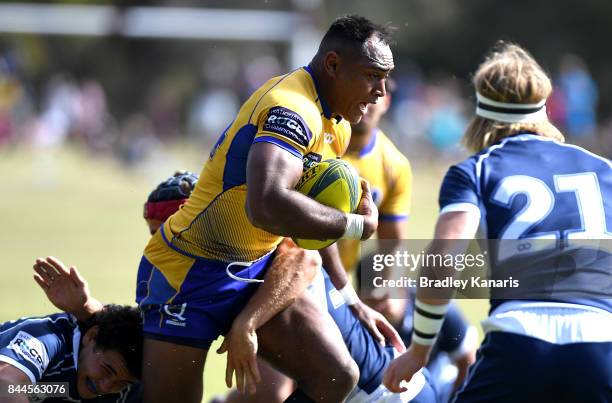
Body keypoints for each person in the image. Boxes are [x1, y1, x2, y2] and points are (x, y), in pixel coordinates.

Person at [136, 14, 396, 403]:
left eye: (386, 77)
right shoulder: (291, 108)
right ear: (333, 65)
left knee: (336, 377)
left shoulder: (337, 122)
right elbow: (267, 203)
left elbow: (308, 217)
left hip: (256, 271)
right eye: (373, 75)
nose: (381, 91)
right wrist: (356, 225)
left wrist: (349, 296)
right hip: (188, 274)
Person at [383, 42, 612, 402]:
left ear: (481, 112)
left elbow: (444, 258)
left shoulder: (476, 169)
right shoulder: (603, 168)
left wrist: (419, 351)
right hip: (601, 344)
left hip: (519, 342)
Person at [0, 294, 142, 402]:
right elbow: (6, 385)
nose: (106, 387)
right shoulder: (46, 338)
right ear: (91, 337)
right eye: (106, 369)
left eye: (122, 383)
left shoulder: (127, 385)